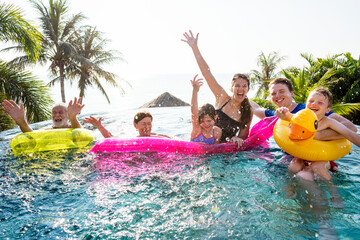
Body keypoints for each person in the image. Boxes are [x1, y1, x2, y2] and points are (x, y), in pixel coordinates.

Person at [182, 30, 252, 146]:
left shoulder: (247, 111)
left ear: (248, 90)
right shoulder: (222, 97)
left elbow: (243, 137)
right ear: (231, 88)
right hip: (205, 143)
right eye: (237, 86)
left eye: (244, 86)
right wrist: (195, 48)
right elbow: (207, 73)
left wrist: (236, 138)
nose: (241, 89)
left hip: (224, 150)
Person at [276, 87, 360, 181]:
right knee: (294, 167)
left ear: (328, 109)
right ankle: (290, 191)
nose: (314, 104)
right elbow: (288, 117)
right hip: (301, 155)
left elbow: (349, 134)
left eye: (320, 102)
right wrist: (283, 113)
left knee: (318, 167)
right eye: (311, 101)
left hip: (322, 158)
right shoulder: (301, 118)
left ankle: (333, 193)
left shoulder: (329, 122)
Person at [251, 77, 357, 140]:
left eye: (282, 91)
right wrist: (239, 94)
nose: (277, 96)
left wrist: (318, 135)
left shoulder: (310, 109)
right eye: (273, 93)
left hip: (316, 157)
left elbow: (351, 128)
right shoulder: (276, 115)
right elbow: (256, 109)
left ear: (291, 92)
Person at [1, 97, 84, 133]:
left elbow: (79, 132)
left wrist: (73, 118)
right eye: (54, 112)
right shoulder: (46, 130)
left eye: (61, 112)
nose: (57, 115)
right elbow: (31, 134)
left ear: (67, 115)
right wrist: (22, 122)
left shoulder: (73, 127)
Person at [84, 111, 170, 138]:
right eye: (143, 124)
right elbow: (112, 139)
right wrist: (100, 127)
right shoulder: (131, 140)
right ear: (135, 125)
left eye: (149, 124)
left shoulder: (159, 137)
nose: (147, 127)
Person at [190, 74, 222, 144]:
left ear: (215, 117)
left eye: (209, 120)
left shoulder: (217, 132)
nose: (206, 124)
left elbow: (216, 149)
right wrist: (195, 90)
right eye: (202, 121)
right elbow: (194, 112)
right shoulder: (197, 129)